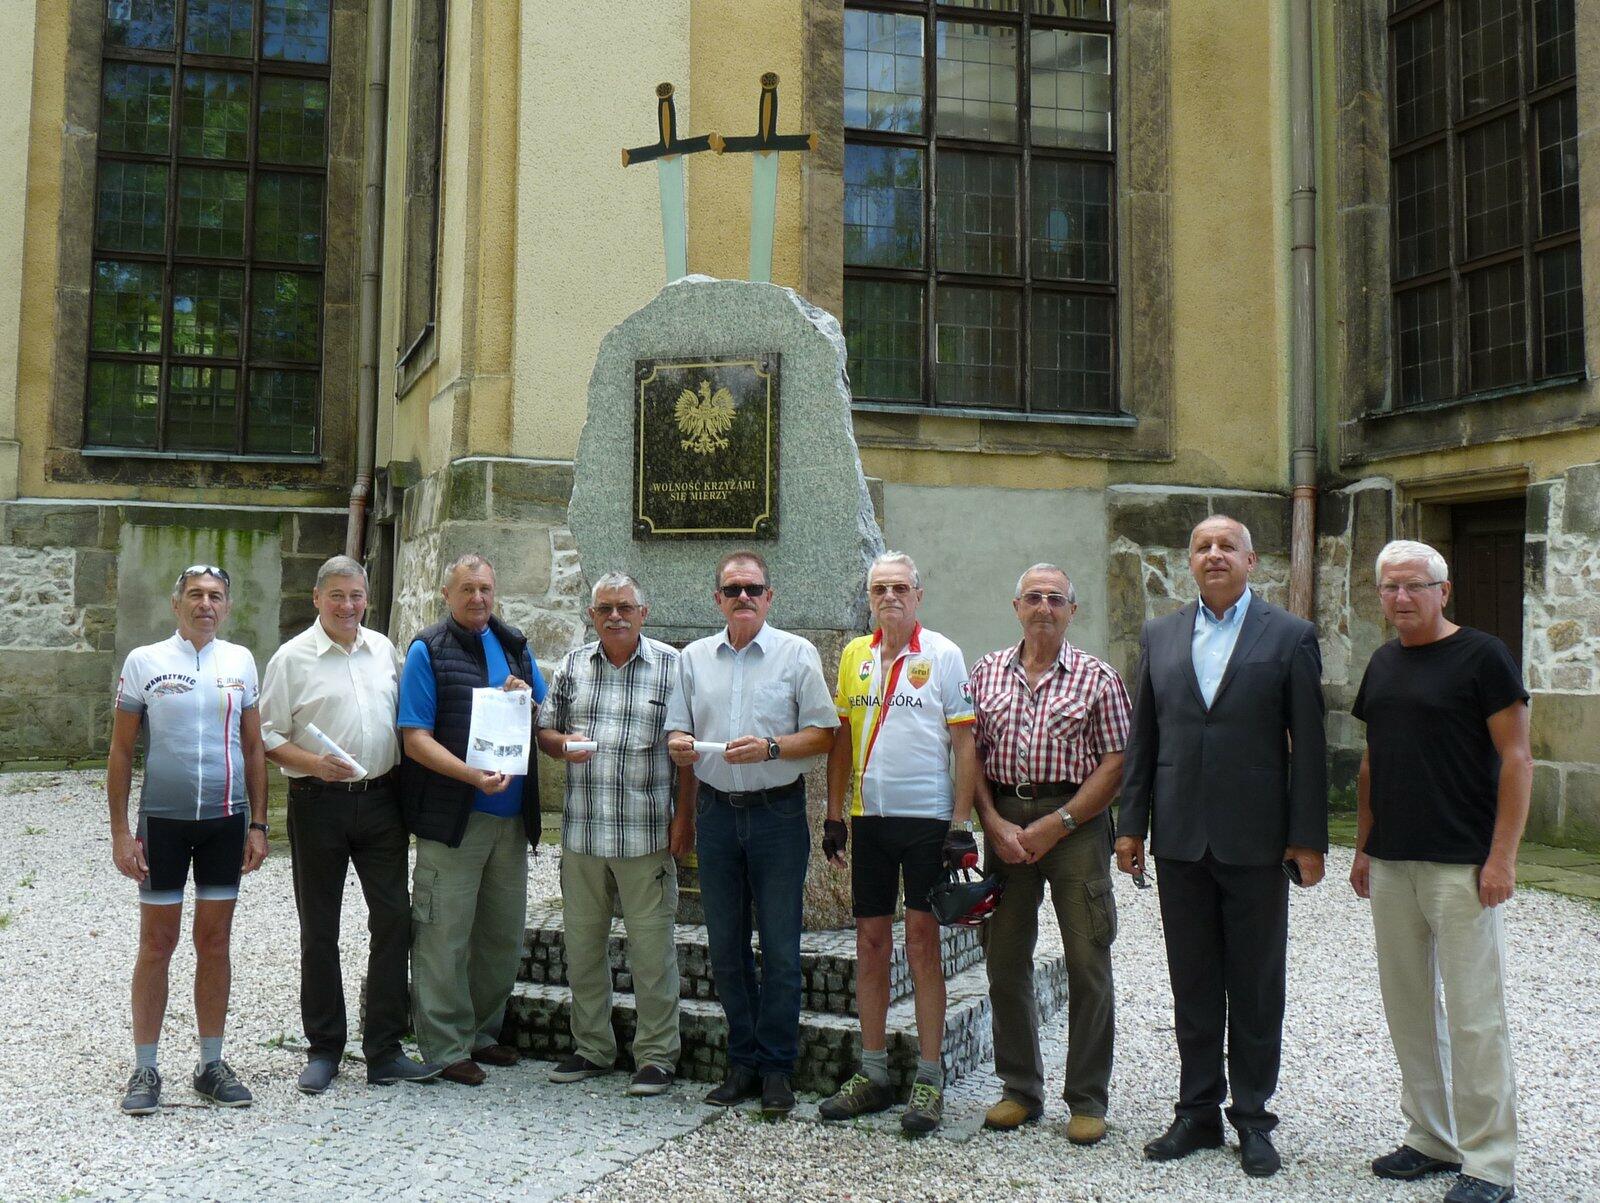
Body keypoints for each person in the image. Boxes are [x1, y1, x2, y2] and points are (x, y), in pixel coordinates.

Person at [1115, 515, 1327, 1179]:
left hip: (1257, 840)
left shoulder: (1289, 636)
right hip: (1181, 838)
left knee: (1256, 984)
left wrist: (1307, 838)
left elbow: (1310, 746)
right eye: (1203, 546)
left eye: (1226, 546)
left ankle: (1254, 1117)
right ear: (1190, 561)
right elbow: (1144, 738)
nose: (1214, 554)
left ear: (1250, 560)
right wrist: (1130, 824)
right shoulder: (1160, 635)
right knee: (1194, 981)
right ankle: (1197, 1110)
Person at [1350, 540, 1531, 1203]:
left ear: (1443, 591)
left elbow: (1517, 758)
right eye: (1390, 587)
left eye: (1415, 586)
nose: (1402, 597)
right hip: (1394, 861)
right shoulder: (1382, 662)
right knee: (1409, 1010)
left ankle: (1490, 1163)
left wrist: (1502, 856)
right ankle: (1431, 1137)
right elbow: (1373, 761)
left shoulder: (1484, 656)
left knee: (1476, 1017)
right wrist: (1364, 846)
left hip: (1464, 866)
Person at [259, 555, 440, 1093]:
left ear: (366, 599)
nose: (347, 605)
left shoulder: (383, 649)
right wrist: (313, 764)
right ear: (317, 598)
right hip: (319, 802)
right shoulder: (291, 659)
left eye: (356, 595)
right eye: (336, 595)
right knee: (320, 928)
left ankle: (384, 1048)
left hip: (382, 801)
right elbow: (266, 735)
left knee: (394, 919)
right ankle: (324, 1049)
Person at [666, 550, 837, 1116]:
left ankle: (778, 1070)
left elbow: (823, 734)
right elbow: (680, 736)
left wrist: (770, 748)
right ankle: (742, 1063)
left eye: (753, 589)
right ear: (717, 599)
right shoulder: (693, 658)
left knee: (782, 949)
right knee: (726, 948)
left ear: (769, 597)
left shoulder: (796, 653)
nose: (744, 597)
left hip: (777, 816)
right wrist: (683, 792)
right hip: (716, 814)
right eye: (733, 589)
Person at [966, 564, 1130, 1145]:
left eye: (1055, 599)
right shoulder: (985, 672)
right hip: (1005, 822)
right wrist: (991, 822)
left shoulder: (1098, 678)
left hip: (1075, 824)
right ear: (1016, 607)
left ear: (1071, 611)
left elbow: (1117, 762)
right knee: (1004, 959)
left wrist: (1058, 824)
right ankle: (1019, 1089)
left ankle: (1086, 1098)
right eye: (1033, 597)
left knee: (1088, 960)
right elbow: (970, 752)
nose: (1043, 607)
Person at [816, 552, 979, 1135]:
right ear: (869, 597)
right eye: (879, 588)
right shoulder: (854, 656)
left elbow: (965, 744)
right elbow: (841, 739)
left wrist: (960, 823)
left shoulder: (943, 654)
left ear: (918, 594)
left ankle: (929, 1077)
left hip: (927, 819)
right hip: (871, 819)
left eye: (900, 587)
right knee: (870, 943)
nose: (890, 596)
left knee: (922, 943)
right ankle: (874, 1072)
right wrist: (834, 816)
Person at [109, 565, 269, 1115]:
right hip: (164, 821)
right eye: (195, 595)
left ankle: (210, 1064)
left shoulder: (240, 661)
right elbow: (121, 751)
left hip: (225, 821)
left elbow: (254, 747)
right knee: (157, 943)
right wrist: (121, 832)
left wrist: (258, 824)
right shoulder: (145, 661)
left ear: (227, 606)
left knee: (215, 942)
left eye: (216, 596)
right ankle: (145, 1066)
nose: (206, 604)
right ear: (176, 603)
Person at [536, 572, 693, 1097]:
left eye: (625, 607)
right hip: (583, 834)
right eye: (605, 608)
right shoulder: (572, 665)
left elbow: (687, 753)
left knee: (652, 953)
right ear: (592, 615)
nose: (615, 616)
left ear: (643, 613)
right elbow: (545, 729)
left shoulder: (672, 667)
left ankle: (656, 1056)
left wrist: (684, 818)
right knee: (583, 949)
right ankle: (593, 1048)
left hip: (645, 836)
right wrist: (561, 746)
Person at [398, 553, 545, 1086]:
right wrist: (470, 776)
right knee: (444, 934)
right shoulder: (428, 650)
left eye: (485, 588)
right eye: (466, 589)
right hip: (454, 818)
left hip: (511, 821)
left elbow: (541, 714)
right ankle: (445, 1044)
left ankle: (482, 1032)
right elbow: (415, 738)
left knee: (499, 936)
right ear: (447, 594)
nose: (477, 597)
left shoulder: (515, 645)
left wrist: (528, 702)